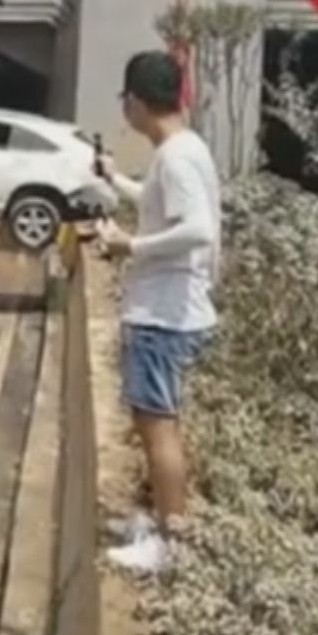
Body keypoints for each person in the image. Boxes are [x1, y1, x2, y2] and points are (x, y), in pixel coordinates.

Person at [92, 50, 222, 576]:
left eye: (125, 100)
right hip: (168, 310)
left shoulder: (175, 156)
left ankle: (171, 543)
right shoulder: (183, 150)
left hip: (163, 317)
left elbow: (197, 230)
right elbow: (160, 200)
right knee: (154, 426)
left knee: (158, 429)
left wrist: (129, 245)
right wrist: (116, 180)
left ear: (137, 102)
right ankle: (161, 523)